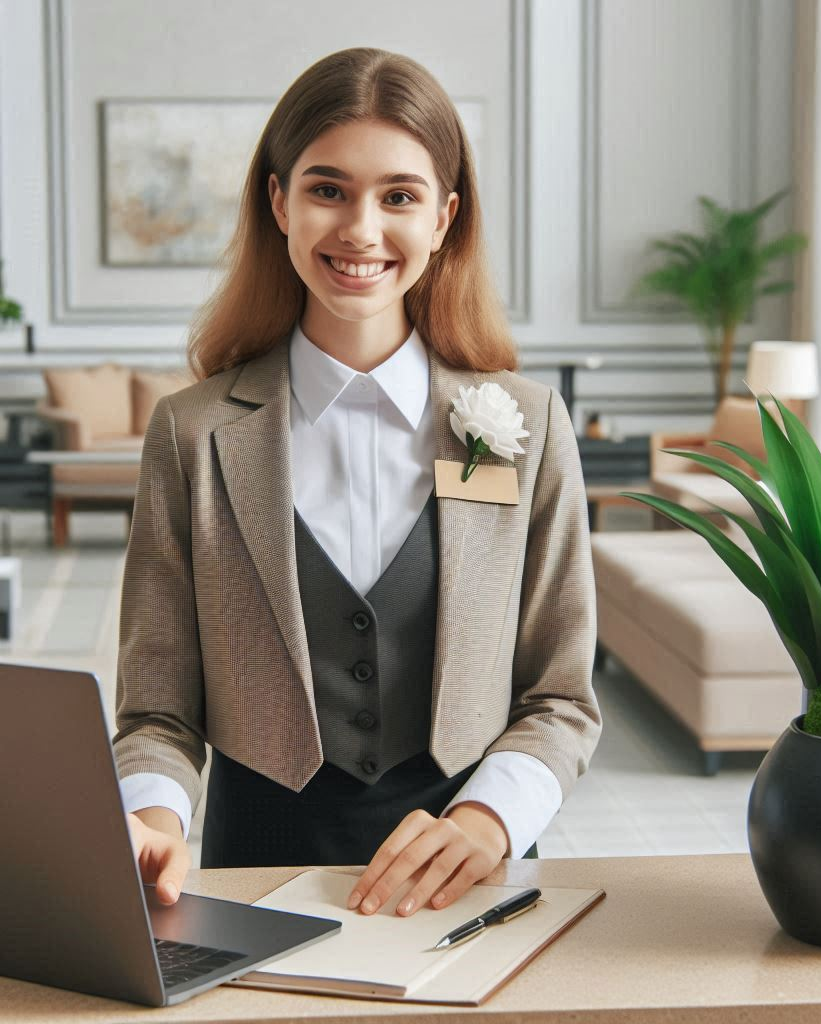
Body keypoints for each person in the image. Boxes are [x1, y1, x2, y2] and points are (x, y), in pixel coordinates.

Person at [115, 48, 600, 920]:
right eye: (328, 189)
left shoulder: (525, 427)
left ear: (446, 217)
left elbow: (560, 696)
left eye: (400, 196)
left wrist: (491, 820)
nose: (362, 230)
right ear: (279, 202)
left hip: (472, 877)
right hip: (250, 874)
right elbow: (155, 712)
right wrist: (151, 818)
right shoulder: (190, 435)